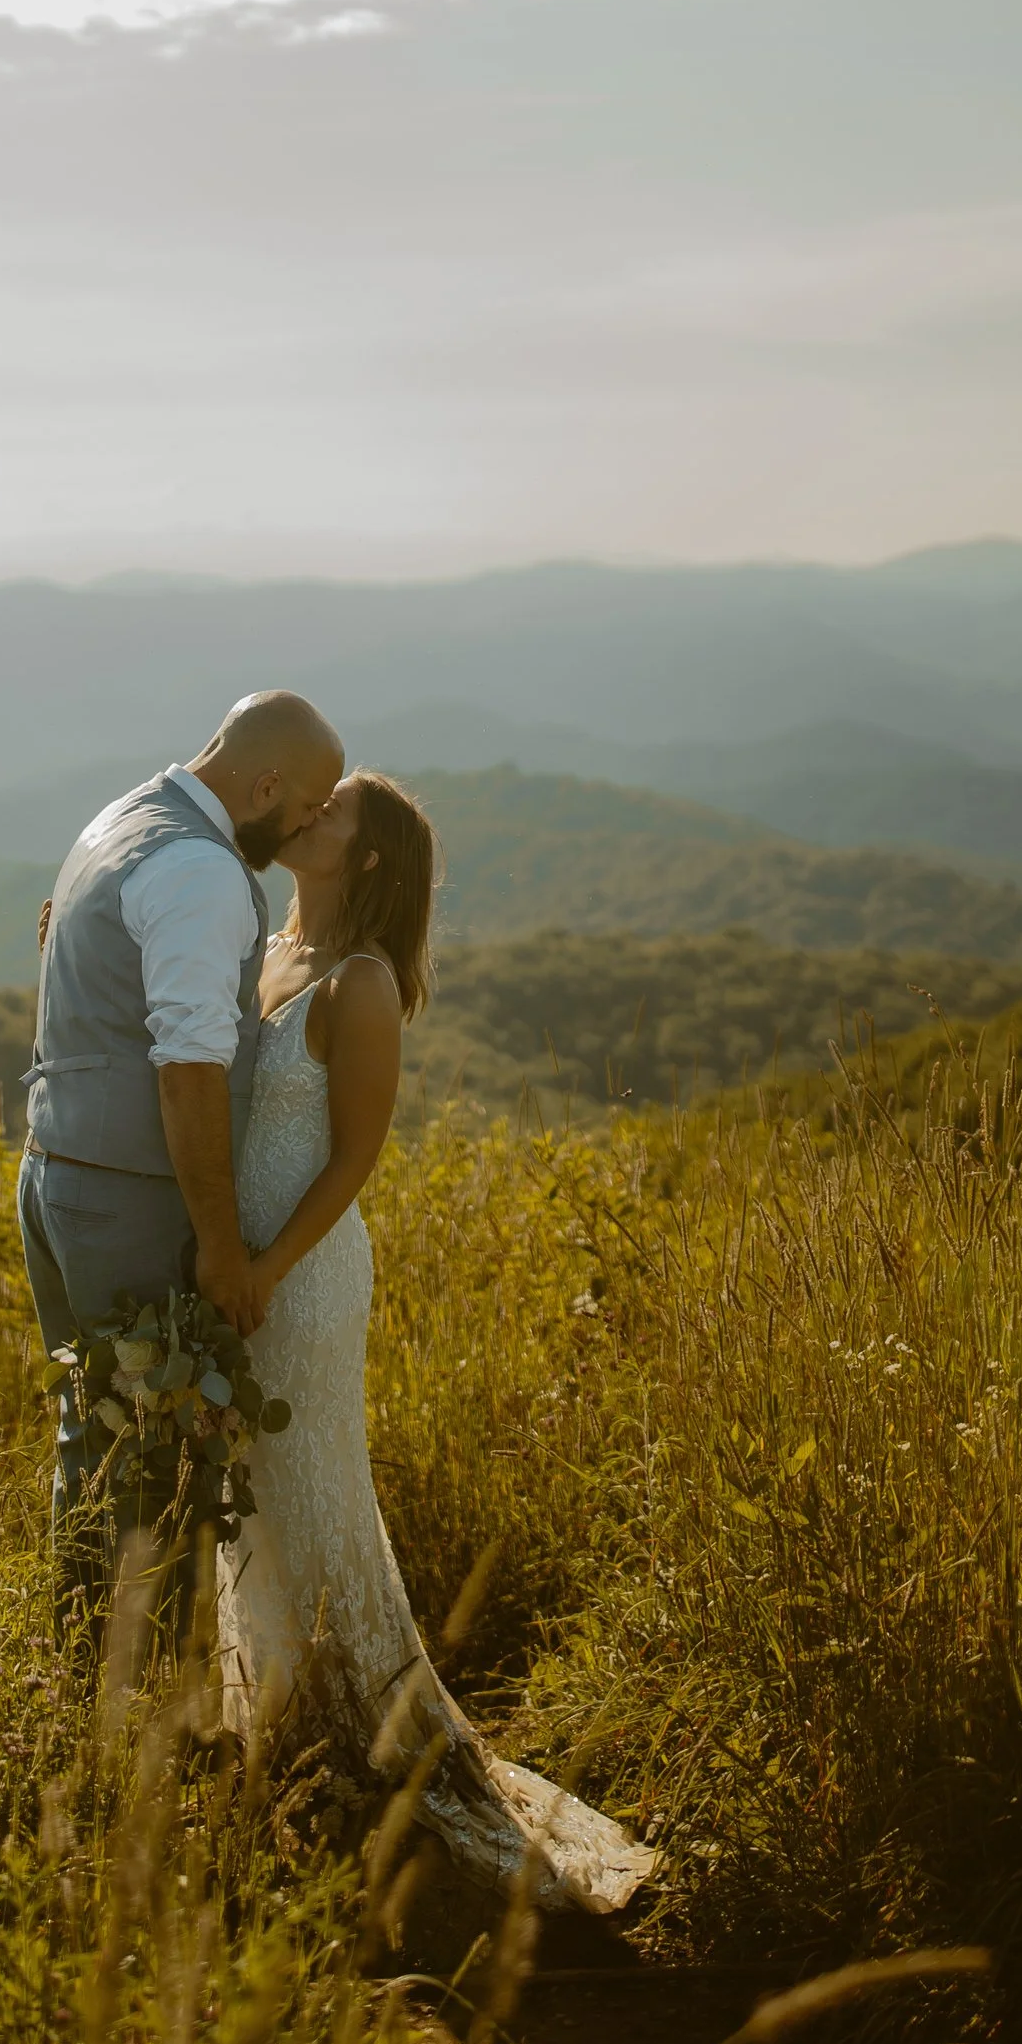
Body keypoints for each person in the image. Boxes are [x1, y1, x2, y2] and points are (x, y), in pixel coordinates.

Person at [216, 770, 657, 1914]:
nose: (305, 818)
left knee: (308, 1495)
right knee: (246, 1493)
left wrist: (266, 1266)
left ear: (364, 859)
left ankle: (368, 1748)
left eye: (330, 817)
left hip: (301, 1275)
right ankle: (276, 1734)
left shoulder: (357, 984)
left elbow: (354, 1157)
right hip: (234, 1262)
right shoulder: (263, 949)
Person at [17, 690, 345, 1587]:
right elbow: (190, 1067)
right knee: (148, 1462)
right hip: (127, 1199)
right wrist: (218, 1244)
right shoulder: (200, 871)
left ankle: (88, 1682)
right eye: (305, 808)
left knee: (95, 1441)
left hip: (56, 1172)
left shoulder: (122, 818)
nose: (306, 829)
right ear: (265, 783)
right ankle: (138, 1699)